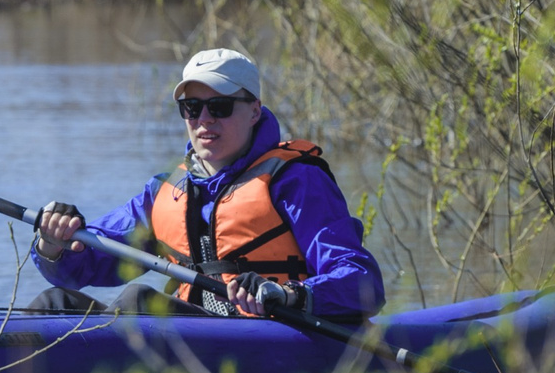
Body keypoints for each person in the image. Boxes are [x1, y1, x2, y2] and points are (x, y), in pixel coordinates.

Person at [29, 48, 384, 320]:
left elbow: (362, 282)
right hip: (195, 334)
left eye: (219, 106)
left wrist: (291, 293)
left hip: (269, 336)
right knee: (53, 304)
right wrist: (54, 243)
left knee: (138, 302)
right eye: (192, 107)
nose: (204, 120)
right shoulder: (164, 192)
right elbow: (86, 265)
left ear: (254, 110)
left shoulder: (296, 180)